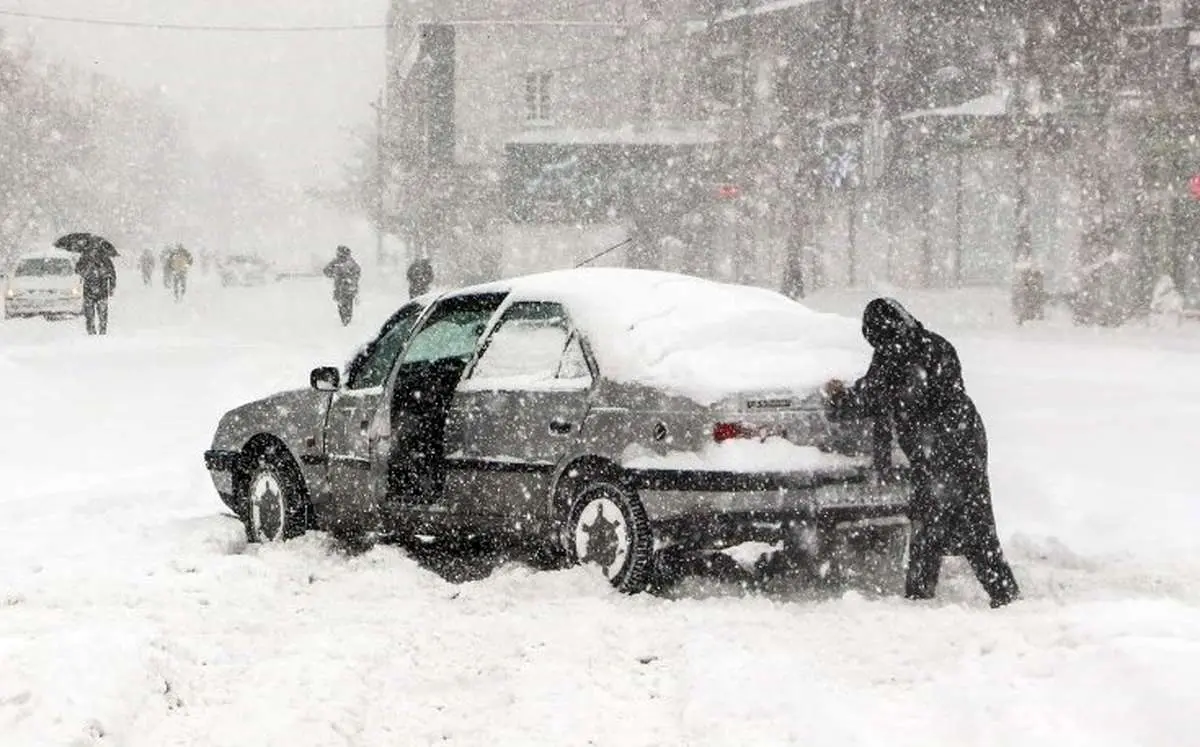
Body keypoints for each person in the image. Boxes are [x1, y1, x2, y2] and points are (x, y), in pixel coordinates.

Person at [824, 298, 1020, 608]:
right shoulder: (935, 343)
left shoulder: (895, 355)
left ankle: (920, 594)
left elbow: (871, 398)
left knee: (930, 519)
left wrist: (837, 399)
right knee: (974, 516)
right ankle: (1002, 591)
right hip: (966, 434)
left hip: (937, 446)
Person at [75, 247, 116, 335]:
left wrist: (111, 286)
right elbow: (112, 274)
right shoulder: (86, 258)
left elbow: (112, 274)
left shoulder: (102, 259)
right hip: (94, 290)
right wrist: (112, 286)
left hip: (98, 289)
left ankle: (98, 329)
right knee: (94, 312)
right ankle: (94, 329)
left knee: (98, 311)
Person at [324, 245, 361, 326]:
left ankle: (346, 319)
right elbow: (326, 271)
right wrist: (334, 274)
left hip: (346, 288)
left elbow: (357, 273)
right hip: (343, 288)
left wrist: (347, 277)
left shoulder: (348, 262)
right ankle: (346, 319)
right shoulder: (338, 262)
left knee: (345, 304)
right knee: (344, 304)